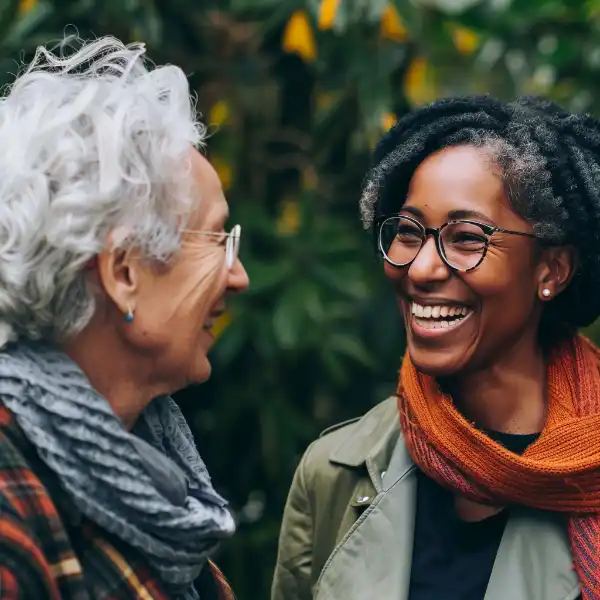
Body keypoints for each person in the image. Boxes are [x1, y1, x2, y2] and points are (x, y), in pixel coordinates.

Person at [271, 95, 600, 600]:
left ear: (550, 270)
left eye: (467, 238)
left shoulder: (587, 474)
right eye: (408, 232)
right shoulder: (334, 474)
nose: (421, 268)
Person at [0, 35, 249, 600]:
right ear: (124, 273)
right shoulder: (11, 489)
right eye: (216, 239)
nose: (238, 277)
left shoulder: (150, 461)